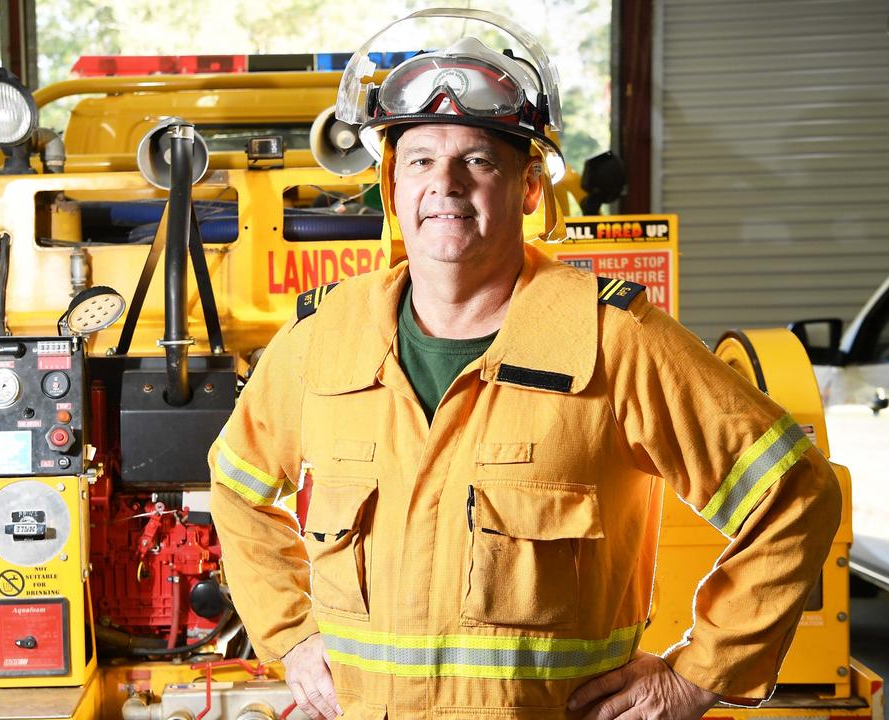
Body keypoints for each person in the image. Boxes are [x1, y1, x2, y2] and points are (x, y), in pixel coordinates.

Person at [210, 9, 841, 719]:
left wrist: (697, 674)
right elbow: (236, 487)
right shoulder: (323, 336)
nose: (444, 184)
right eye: (420, 159)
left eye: (478, 159)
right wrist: (291, 636)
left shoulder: (614, 341)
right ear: (391, 188)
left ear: (530, 188)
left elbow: (796, 493)